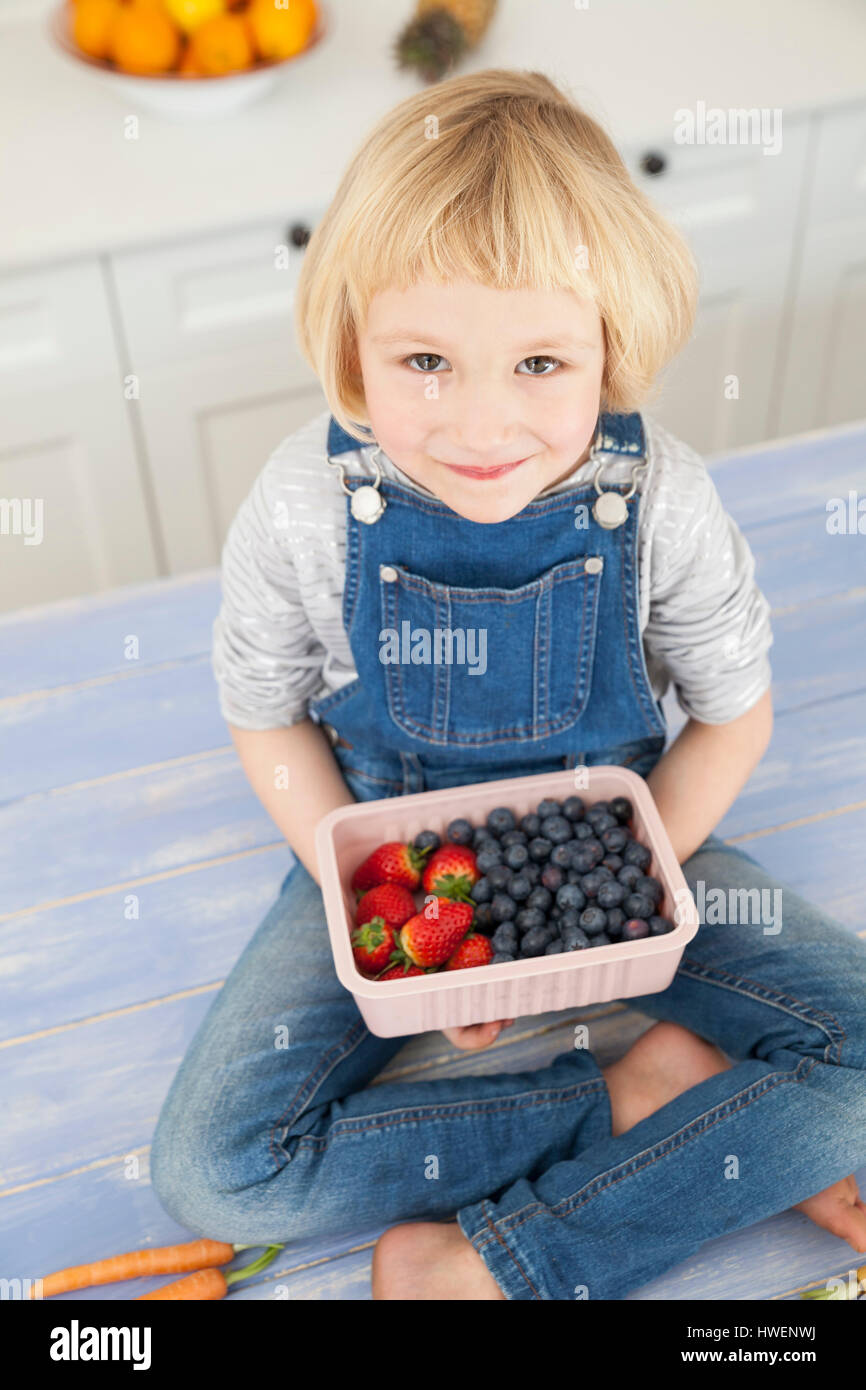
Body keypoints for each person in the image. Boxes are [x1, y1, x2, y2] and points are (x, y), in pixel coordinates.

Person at [149, 69, 866, 1300]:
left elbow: (732, 716)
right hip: (379, 849)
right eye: (424, 358)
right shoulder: (302, 503)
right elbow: (264, 710)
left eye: (539, 361)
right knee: (214, 1172)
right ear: (351, 346)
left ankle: (496, 1267)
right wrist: (406, 930)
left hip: (622, 847)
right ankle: (644, 1097)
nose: (481, 421)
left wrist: (599, 930)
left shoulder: (664, 502)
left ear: (610, 349)